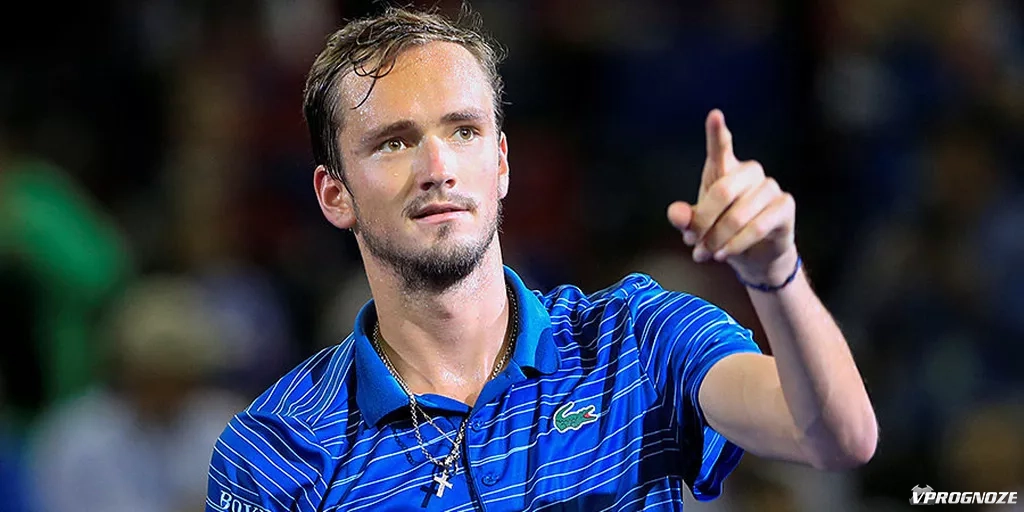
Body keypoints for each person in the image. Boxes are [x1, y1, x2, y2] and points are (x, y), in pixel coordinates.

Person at [206, 6, 877, 511]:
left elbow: (837, 438)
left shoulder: (638, 338)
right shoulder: (273, 449)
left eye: (463, 131)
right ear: (334, 195)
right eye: (394, 143)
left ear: (501, 164)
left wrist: (775, 275)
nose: (438, 168)